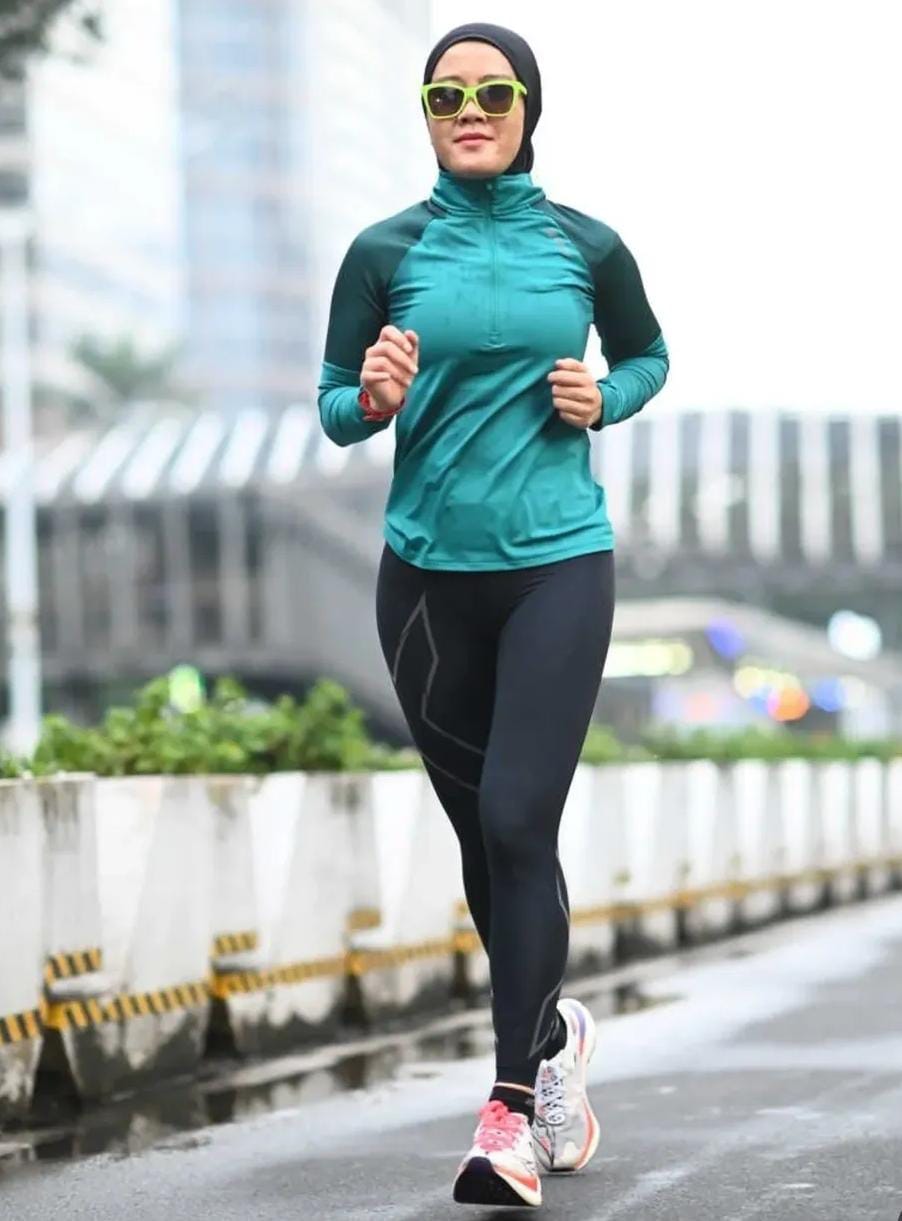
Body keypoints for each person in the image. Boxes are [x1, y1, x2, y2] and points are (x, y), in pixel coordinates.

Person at [318, 21, 669, 1210]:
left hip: (555, 567)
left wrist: (602, 397)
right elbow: (332, 403)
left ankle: (510, 1112)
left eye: (492, 91)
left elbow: (647, 355)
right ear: (425, 113)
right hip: (424, 581)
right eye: (445, 94)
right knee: (484, 840)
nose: (469, 109)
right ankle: (552, 1042)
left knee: (519, 817)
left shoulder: (585, 245)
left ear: (528, 108)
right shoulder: (383, 250)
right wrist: (371, 397)